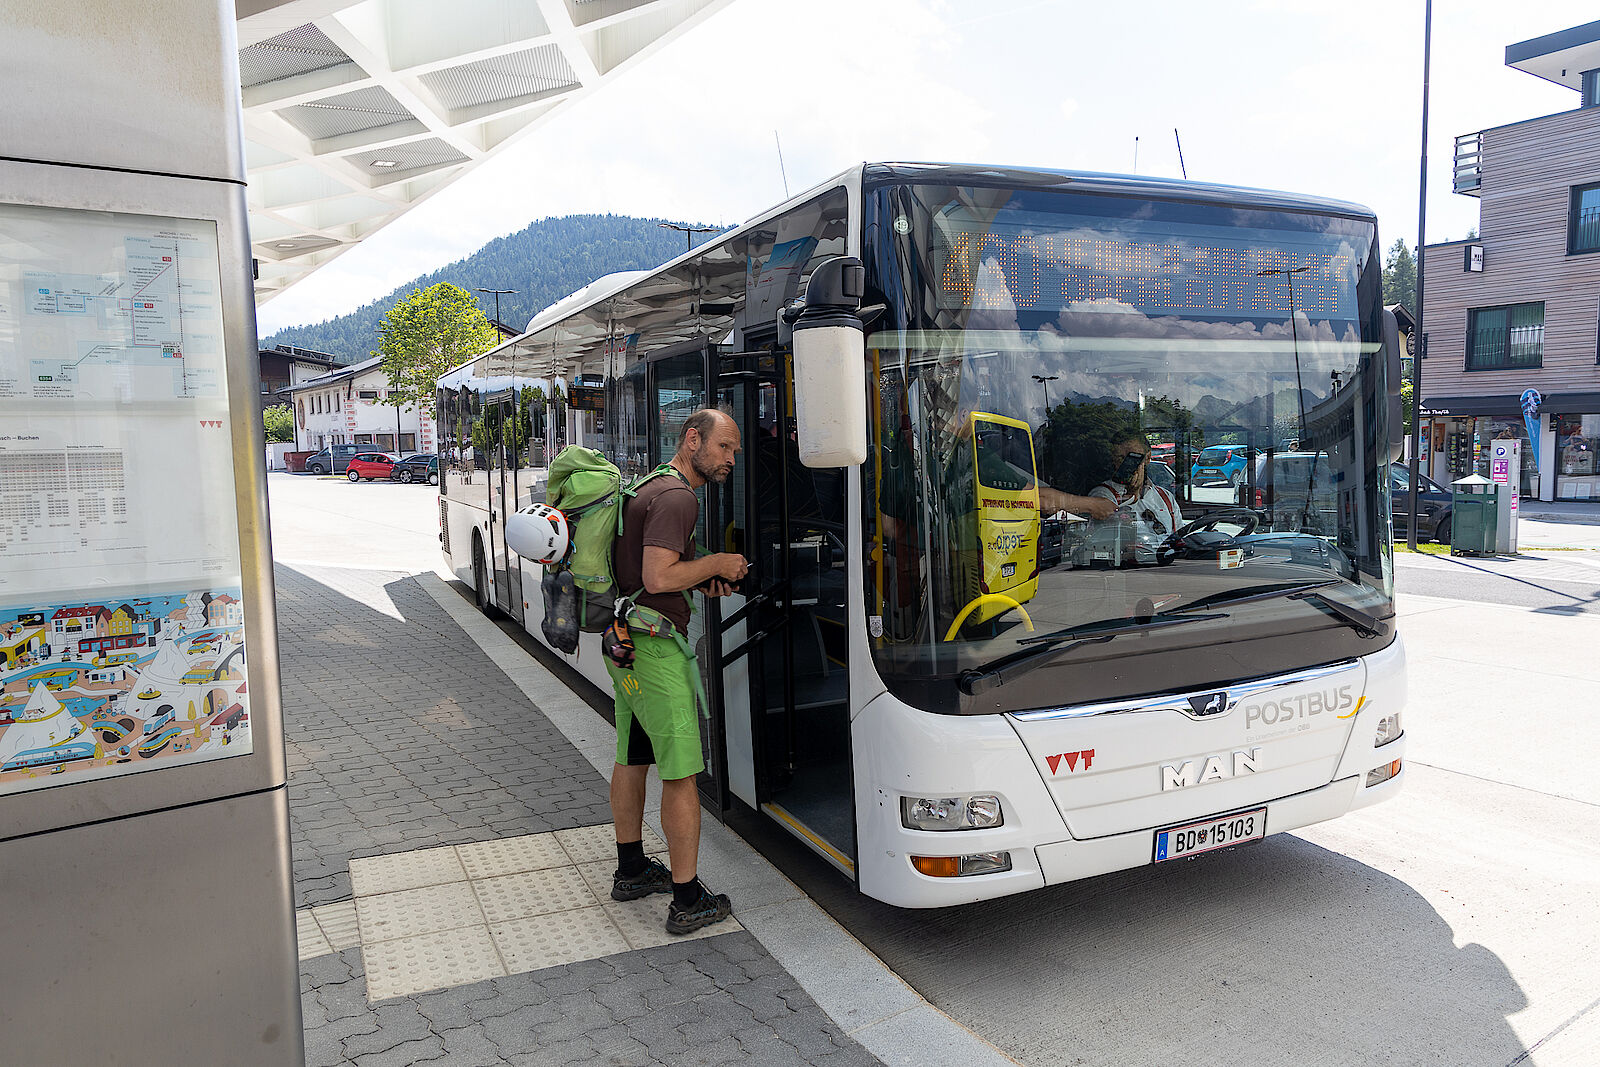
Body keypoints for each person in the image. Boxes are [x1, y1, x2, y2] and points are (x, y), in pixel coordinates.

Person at [607, 408, 749, 935]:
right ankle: (687, 901)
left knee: (632, 755)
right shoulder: (679, 497)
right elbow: (658, 573)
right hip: (656, 650)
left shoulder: (648, 487)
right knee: (682, 773)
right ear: (693, 440)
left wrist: (700, 574)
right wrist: (717, 564)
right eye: (725, 448)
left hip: (624, 639)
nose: (730, 459)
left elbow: (648, 576)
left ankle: (631, 870)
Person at [1089, 431, 1183, 538]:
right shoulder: (1103, 494)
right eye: (1120, 457)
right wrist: (1131, 495)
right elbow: (1108, 533)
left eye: (1133, 457)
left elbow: (1178, 538)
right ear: (1114, 460)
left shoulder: (1165, 497)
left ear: (1147, 458)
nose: (1126, 463)